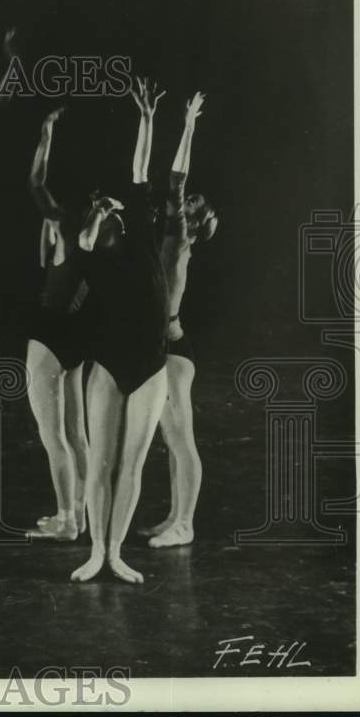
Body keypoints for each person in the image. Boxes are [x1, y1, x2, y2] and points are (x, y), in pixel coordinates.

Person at [70, 76, 170, 585]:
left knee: (131, 466)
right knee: (99, 464)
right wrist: (96, 210)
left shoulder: (145, 240)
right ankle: (93, 553)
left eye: (115, 213)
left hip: (150, 364)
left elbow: (140, 173)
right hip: (108, 361)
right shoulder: (96, 261)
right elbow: (83, 245)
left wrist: (147, 120)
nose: (111, 217)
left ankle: (115, 552)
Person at [139, 91, 218, 548]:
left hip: (172, 348)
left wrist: (188, 125)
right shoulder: (166, 241)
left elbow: (175, 181)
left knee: (180, 436)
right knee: (171, 439)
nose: (185, 205)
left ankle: (186, 523)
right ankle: (174, 517)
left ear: (196, 220)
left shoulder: (179, 238)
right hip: (164, 344)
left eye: (193, 206)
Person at [24, 107, 91, 541]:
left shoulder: (63, 228)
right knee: (75, 433)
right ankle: (80, 517)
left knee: (55, 438)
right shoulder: (92, 238)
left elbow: (35, 183)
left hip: (49, 336)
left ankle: (66, 519)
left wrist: (45, 133)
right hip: (77, 336)